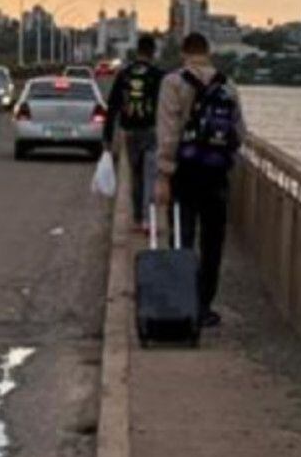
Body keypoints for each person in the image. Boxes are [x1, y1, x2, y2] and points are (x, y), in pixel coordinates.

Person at [155, 31, 247, 327]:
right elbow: (241, 133)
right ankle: (204, 307)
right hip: (217, 173)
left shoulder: (173, 83)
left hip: (185, 172)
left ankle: (181, 304)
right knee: (213, 241)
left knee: (182, 236)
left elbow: (168, 134)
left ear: (184, 53)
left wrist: (164, 175)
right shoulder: (228, 85)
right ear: (208, 52)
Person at [102, 34, 166, 231]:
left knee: (136, 176)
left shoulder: (124, 74)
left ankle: (138, 219)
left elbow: (112, 106)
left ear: (137, 51)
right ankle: (148, 219)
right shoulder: (159, 75)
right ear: (153, 52)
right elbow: (167, 107)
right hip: (152, 131)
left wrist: (107, 137)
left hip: (130, 132)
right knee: (150, 174)